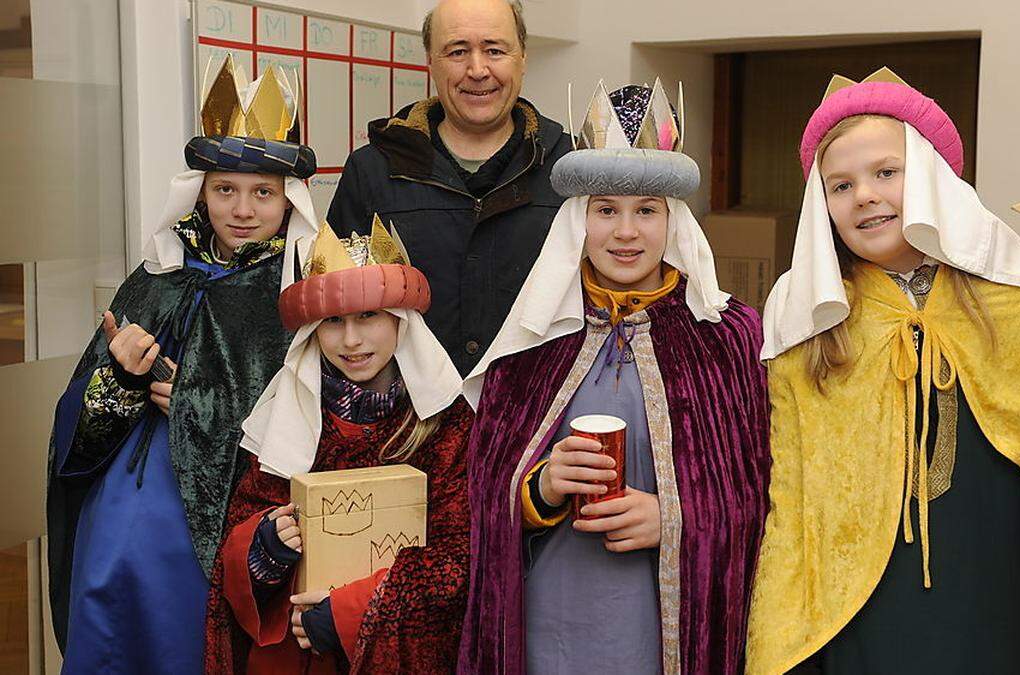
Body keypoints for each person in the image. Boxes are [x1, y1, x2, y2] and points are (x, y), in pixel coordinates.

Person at [745, 67, 1020, 675]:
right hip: (854, 611)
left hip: (1000, 593)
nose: (864, 194)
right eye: (840, 185)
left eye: (886, 172)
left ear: (937, 182)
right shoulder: (805, 319)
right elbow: (793, 488)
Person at [458, 80, 771, 675]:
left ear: (673, 219)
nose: (626, 232)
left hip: (663, 634)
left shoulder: (729, 337)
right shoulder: (533, 338)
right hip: (549, 630)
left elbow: (763, 497)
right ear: (578, 219)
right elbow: (478, 496)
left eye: (646, 211)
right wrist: (540, 490)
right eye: (606, 210)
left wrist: (677, 518)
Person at [46, 56, 319, 673]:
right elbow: (77, 431)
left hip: (211, 524)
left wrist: (198, 404)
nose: (242, 209)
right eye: (225, 190)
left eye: (263, 193)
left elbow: (315, 415)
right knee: (108, 613)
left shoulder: (300, 293)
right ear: (200, 193)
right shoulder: (156, 278)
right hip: (119, 507)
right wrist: (119, 378)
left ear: (289, 200)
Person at [204, 218, 472, 673]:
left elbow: (460, 554)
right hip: (298, 652)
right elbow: (237, 541)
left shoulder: (445, 424)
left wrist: (351, 614)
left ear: (400, 321)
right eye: (333, 322)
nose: (351, 341)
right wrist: (264, 547)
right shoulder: (287, 420)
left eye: (368, 316)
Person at [325, 0, 572, 375]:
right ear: (430, 62)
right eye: (457, 51)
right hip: (412, 421)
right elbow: (337, 309)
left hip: (537, 416)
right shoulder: (372, 169)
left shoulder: (570, 167)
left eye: (494, 50)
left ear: (522, 57)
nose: (477, 70)